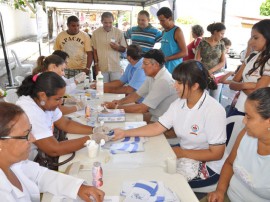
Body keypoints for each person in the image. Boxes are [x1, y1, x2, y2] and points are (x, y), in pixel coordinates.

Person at [112, 60, 226, 188]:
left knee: (159, 180)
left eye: (179, 83)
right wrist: (125, 133)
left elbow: (217, 154)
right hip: (185, 154)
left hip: (208, 165)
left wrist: (181, 152)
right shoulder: (179, 103)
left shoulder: (213, 110)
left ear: (195, 86)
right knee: (147, 164)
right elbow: (157, 127)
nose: (174, 86)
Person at [0, 102, 105, 201]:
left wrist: (78, 187)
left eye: (30, 131)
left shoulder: (15, 164)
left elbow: (40, 176)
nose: (33, 139)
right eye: (26, 135)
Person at [16, 72, 108, 161]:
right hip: (26, 161)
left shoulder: (44, 102)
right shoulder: (30, 111)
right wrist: (91, 139)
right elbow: (54, 149)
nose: (60, 103)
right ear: (43, 95)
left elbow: (66, 124)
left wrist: (94, 130)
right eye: (57, 99)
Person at [203, 87, 270, 202]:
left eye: (249, 117)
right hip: (228, 196)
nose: (244, 121)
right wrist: (220, 190)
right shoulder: (246, 134)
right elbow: (229, 163)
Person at [103, 49, 178, 124]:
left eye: (145, 64)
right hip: (155, 116)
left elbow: (142, 108)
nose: (142, 67)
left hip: (164, 122)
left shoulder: (163, 81)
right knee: (118, 120)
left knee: (120, 125)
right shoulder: (152, 75)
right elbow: (136, 95)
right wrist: (119, 102)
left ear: (156, 65)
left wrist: (116, 108)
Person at [229, 19, 270, 116]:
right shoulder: (252, 56)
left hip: (256, 114)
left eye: (255, 38)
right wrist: (247, 85)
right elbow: (232, 83)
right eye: (251, 38)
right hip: (239, 107)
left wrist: (240, 85)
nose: (251, 42)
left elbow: (258, 95)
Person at [92, 12, 127, 82]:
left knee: (116, 89)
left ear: (113, 21)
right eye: (105, 22)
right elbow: (94, 51)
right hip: (101, 68)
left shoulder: (119, 32)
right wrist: (96, 65)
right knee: (101, 89)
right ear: (101, 22)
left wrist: (117, 47)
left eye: (110, 22)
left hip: (115, 67)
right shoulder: (95, 33)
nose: (108, 25)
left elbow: (124, 49)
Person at [195, 22, 226, 101]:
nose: (223, 36)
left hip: (217, 75)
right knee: (202, 99)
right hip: (203, 75)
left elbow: (223, 62)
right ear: (215, 32)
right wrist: (206, 72)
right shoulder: (203, 42)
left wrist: (210, 71)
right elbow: (197, 60)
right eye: (221, 33)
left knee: (214, 100)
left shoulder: (221, 44)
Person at [157, 7, 187, 74]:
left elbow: (185, 52)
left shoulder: (177, 31)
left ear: (170, 18)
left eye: (162, 20)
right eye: (159, 21)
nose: (160, 23)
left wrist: (167, 58)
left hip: (174, 69)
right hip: (164, 68)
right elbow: (164, 47)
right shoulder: (163, 32)